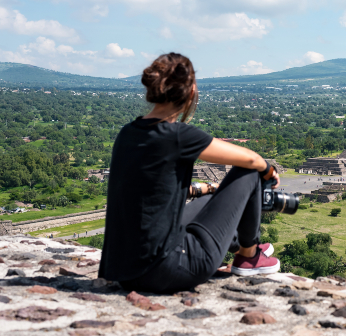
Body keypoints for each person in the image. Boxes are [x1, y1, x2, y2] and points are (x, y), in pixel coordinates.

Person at [98, 53, 280, 294]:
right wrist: (268, 170)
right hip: (169, 269)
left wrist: (205, 189)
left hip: (124, 270)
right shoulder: (177, 135)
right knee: (248, 172)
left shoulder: (128, 132)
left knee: (208, 201)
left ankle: (239, 245)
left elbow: (152, 190)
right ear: (192, 91)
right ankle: (249, 256)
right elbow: (251, 159)